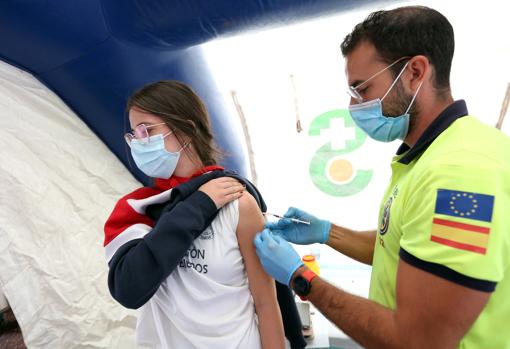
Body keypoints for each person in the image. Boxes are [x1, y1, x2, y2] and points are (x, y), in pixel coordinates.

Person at [254, 5, 510, 349]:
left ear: (414, 72)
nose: (354, 105)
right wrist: (328, 233)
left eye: (362, 89)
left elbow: (417, 342)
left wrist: (301, 278)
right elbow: (407, 246)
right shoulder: (437, 152)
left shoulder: (457, 174)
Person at [103, 80, 288, 349]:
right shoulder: (139, 208)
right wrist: (198, 206)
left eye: (146, 131)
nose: (138, 143)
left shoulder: (238, 203)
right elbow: (129, 289)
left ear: (186, 130)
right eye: (133, 134)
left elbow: (266, 302)